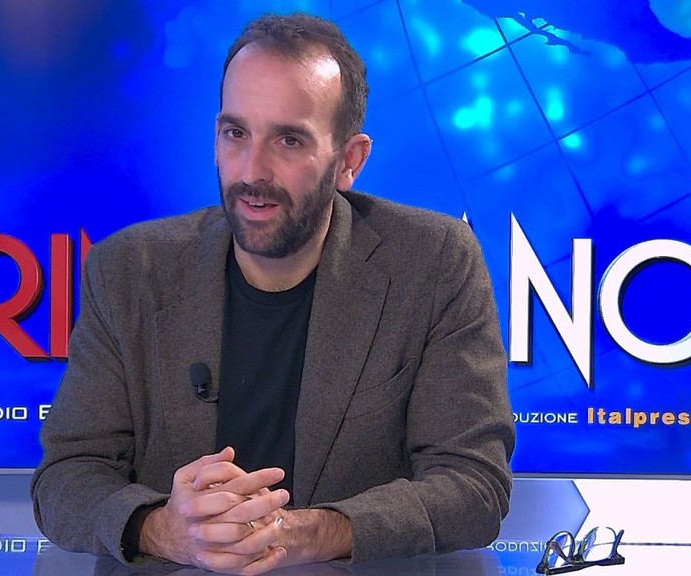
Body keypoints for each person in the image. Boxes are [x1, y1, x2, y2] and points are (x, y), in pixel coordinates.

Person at [30, 12, 514, 575]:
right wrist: (164, 529)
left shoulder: (433, 263)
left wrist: (309, 532)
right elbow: (65, 478)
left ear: (349, 161)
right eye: (236, 134)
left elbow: (473, 485)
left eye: (289, 140)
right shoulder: (129, 270)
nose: (252, 171)